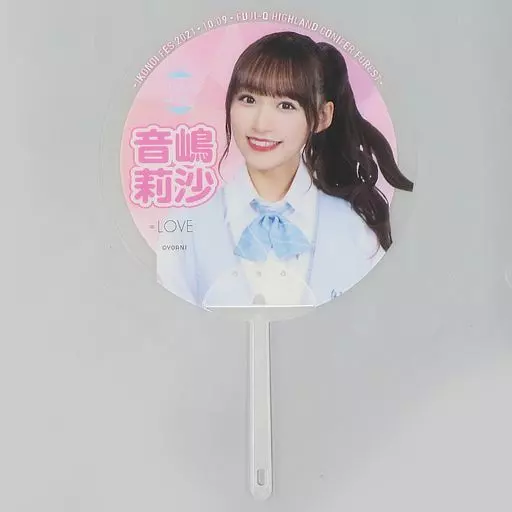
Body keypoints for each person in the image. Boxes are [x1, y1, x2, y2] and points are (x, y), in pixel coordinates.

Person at [157, 30, 413, 308]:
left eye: (285, 105)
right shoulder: (184, 227)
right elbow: (170, 324)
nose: (261, 124)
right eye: (248, 99)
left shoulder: (355, 230)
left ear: (322, 117)